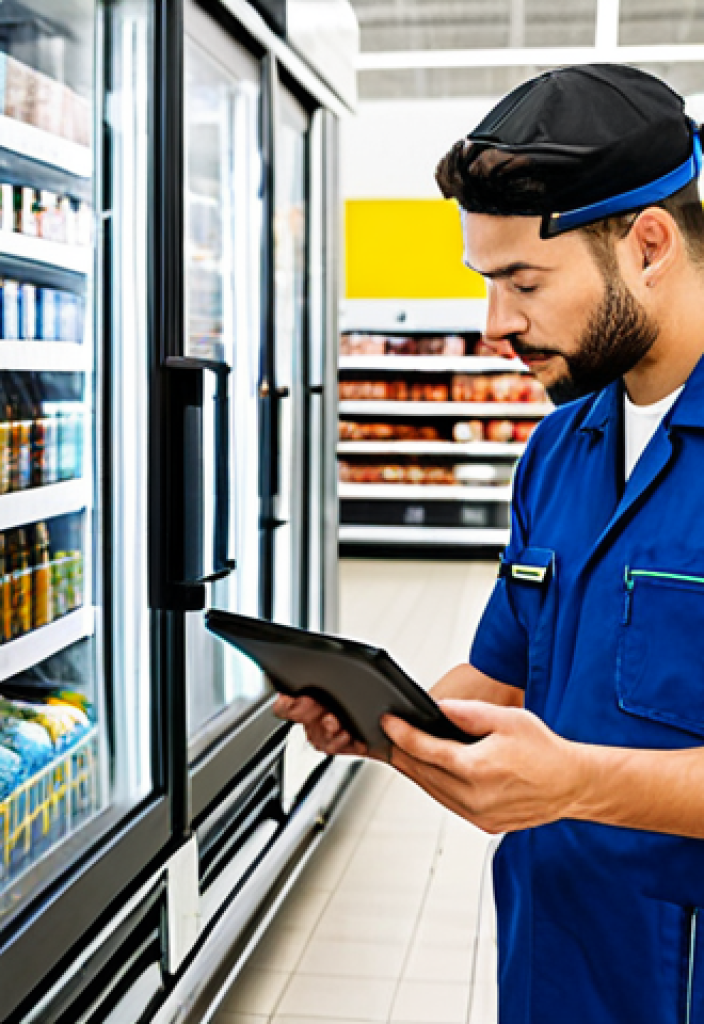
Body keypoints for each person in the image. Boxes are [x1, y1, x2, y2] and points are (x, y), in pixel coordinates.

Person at [276, 64, 704, 1023]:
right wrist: (389, 722)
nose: (495, 325)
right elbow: (505, 678)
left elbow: (570, 764)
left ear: (648, 246)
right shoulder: (558, 447)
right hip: (551, 959)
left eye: (524, 282)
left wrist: (578, 780)